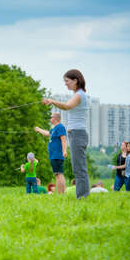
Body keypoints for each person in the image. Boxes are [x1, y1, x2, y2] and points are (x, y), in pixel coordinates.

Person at [42, 69, 90, 199]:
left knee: (79, 168)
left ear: (76, 81)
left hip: (78, 134)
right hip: (76, 134)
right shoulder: (78, 94)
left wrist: (52, 101)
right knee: (77, 167)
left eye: (67, 81)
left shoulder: (79, 95)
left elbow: (67, 106)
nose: (65, 84)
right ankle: (82, 196)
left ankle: (83, 197)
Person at [34, 112, 67, 194]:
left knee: (59, 174)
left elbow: (63, 139)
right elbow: (47, 133)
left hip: (57, 154)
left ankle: (61, 193)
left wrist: (64, 151)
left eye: (51, 117)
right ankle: (60, 193)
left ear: (56, 118)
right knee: (57, 174)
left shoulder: (60, 127)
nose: (50, 119)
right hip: (53, 155)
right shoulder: (54, 129)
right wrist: (38, 129)